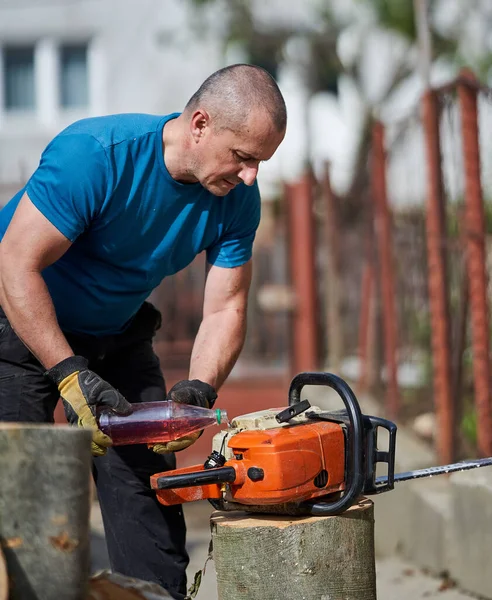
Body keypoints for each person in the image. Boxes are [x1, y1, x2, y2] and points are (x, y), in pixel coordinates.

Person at [0, 63, 286, 599]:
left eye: (261, 162)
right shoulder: (96, 156)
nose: (250, 176)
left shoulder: (237, 199)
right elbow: (15, 264)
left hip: (116, 335)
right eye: (243, 156)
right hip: (15, 327)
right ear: (199, 124)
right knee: (24, 506)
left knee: (148, 505)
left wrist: (199, 387)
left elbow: (227, 307)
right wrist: (66, 374)